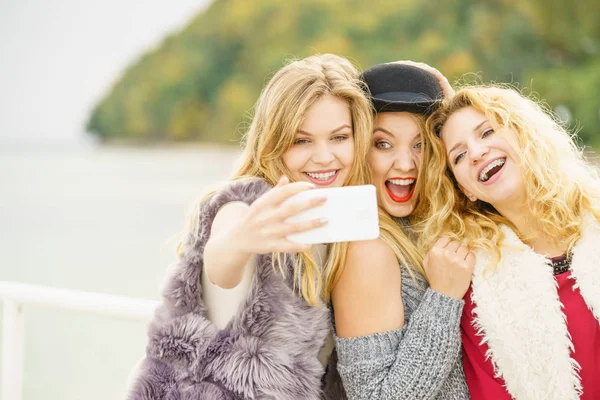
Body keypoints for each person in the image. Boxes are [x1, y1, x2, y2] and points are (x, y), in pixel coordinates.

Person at [127, 53, 373, 400]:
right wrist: (242, 241)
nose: (323, 156)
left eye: (338, 137)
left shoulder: (339, 214)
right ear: (273, 141)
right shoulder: (247, 204)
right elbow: (219, 265)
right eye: (301, 140)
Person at [419, 85, 600, 400]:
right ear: (466, 190)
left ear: (523, 135)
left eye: (487, 132)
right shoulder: (474, 281)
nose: (476, 153)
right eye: (459, 155)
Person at [331, 62, 472, 399]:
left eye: (420, 144)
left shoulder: (427, 220)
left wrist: (453, 114)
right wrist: (444, 299)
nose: (406, 163)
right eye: (383, 144)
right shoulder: (365, 248)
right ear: (360, 148)